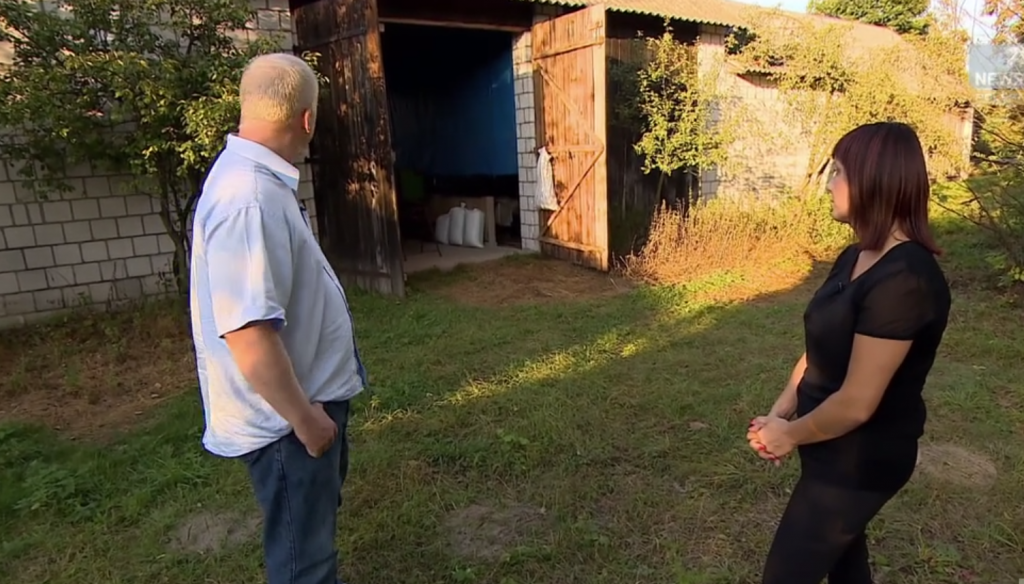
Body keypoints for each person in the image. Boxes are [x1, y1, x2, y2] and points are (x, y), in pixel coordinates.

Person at [746, 121, 952, 584]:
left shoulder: (905, 279)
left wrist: (790, 434)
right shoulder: (855, 257)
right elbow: (819, 347)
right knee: (845, 568)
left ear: (875, 178)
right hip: (826, 443)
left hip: (860, 460)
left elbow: (858, 402)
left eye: (839, 171)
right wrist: (780, 411)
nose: (829, 184)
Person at [189, 53, 366, 584]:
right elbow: (248, 333)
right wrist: (306, 422)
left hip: (299, 409)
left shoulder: (255, 183)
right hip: (288, 423)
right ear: (307, 118)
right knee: (304, 565)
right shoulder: (249, 199)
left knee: (310, 545)